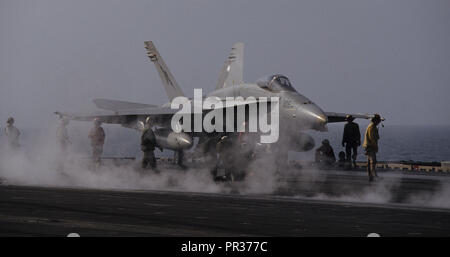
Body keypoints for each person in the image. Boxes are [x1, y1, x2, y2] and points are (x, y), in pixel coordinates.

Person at [363, 114, 382, 182]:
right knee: (372, 162)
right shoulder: (372, 127)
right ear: (376, 120)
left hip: (369, 146)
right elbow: (372, 139)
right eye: (378, 120)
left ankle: (371, 177)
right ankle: (373, 176)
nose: (379, 122)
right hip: (371, 146)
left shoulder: (372, 126)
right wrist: (376, 147)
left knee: (369, 162)